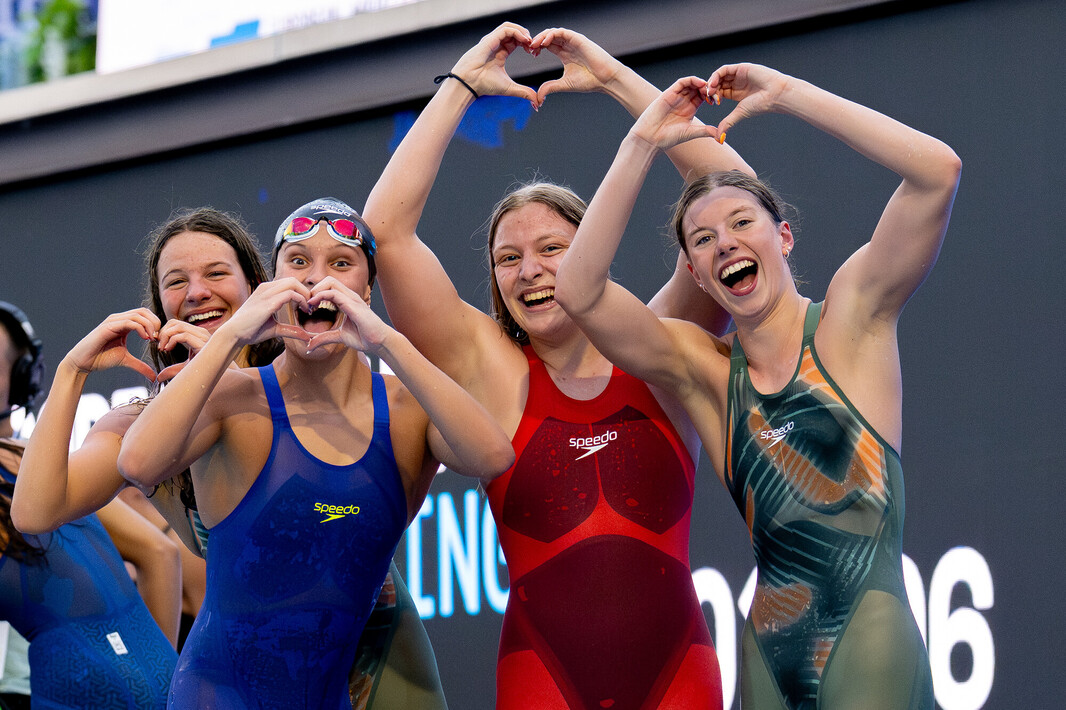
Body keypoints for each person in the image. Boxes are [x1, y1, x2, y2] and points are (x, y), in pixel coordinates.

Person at [362, 22, 753, 710]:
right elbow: (386, 233)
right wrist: (461, 86)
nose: (530, 271)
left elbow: (734, 195)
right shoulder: (490, 369)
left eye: (552, 249)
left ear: (591, 253)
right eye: (508, 259)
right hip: (541, 678)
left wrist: (613, 79)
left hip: (679, 677)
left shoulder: (662, 348)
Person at [554, 65, 961, 709]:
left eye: (743, 223)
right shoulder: (706, 372)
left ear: (784, 236)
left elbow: (937, 172)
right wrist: (642, 138)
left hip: (868, 630)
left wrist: (789, 95)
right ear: (696, 273)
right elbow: (578, 292)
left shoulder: (851, 320)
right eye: (704, 239)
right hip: (767, 650)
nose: (726, 244)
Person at [12, 207, 451, 708]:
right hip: (252, 669)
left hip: (371, 648)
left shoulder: (310, 374)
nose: (197, 291)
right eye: (176, 282)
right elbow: (35, 512)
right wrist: (72, 371)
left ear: (263, 286)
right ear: (159, 307)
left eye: (216, 273)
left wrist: (228, 361)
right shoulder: (144, 426)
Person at [117, 197, 514, 709]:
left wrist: (386, 341)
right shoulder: (236, 396)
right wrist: (231, 335)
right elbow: (138, 463)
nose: (317, 279)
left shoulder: (407, 410)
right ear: (272, 285)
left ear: (367, 291)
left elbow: (491, 457)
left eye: (341, 263)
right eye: (299, 261)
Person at [0, 300, 177, 709]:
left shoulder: (36, 475)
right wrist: (152, 682)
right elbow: (161, 552)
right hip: (163, 677)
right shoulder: (43, 468)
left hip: (74, 685)